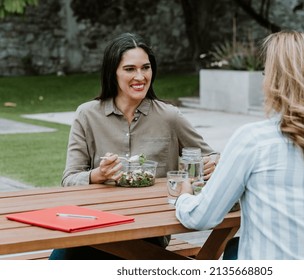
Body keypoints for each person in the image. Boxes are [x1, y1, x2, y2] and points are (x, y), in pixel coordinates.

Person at [175, 30, 304, 260]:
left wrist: (184, 196)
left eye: (266, 72)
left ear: (279, 80)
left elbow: (201, 217)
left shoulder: (254, 140)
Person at [49, 32, 218, 260]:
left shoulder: (170, 116)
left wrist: (212, 164)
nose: (140, 76)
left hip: (151, 227)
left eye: (145, 68)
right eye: (130, 69)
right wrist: (97, 175)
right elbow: (68, 179)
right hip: (94, 223)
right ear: (113, 73)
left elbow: (212, 156)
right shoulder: (87, 115)